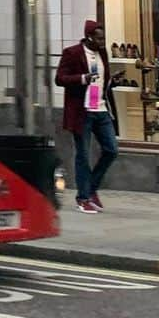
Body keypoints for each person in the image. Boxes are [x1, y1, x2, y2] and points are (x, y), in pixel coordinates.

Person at [55, 19, 118, 214]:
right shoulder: (72, 53)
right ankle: (83, 198)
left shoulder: (103, 53)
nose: (102, 42)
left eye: (104, 38)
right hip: (82, 112)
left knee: (111, 150)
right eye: (99, 39)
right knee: (82, 155)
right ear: (89, 37)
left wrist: (112, 81)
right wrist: (82, 79)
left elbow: (102, 80)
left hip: (100, 109)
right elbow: (59, 79)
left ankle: (91, 188)